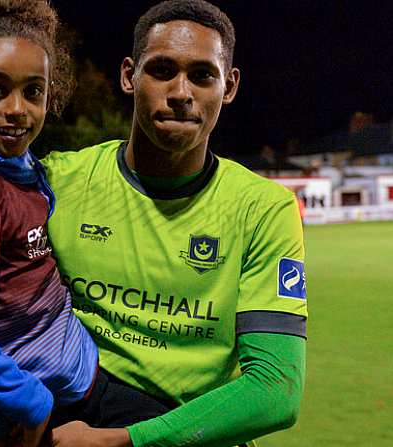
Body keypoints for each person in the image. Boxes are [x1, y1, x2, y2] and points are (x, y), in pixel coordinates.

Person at [0, 2, 167, 446]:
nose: (17, 109)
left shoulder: (15, 168)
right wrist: (31, 402)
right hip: (53, 405)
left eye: (33, 92)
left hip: (75, 379)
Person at [42, 1, 307, 446]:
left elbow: (276, 390)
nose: (181, 92)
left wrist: (126, 442)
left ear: (229, 87)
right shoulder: (59, 182)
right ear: (129, 75)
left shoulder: (263, 209)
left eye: (203, 75)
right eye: (162, 70)